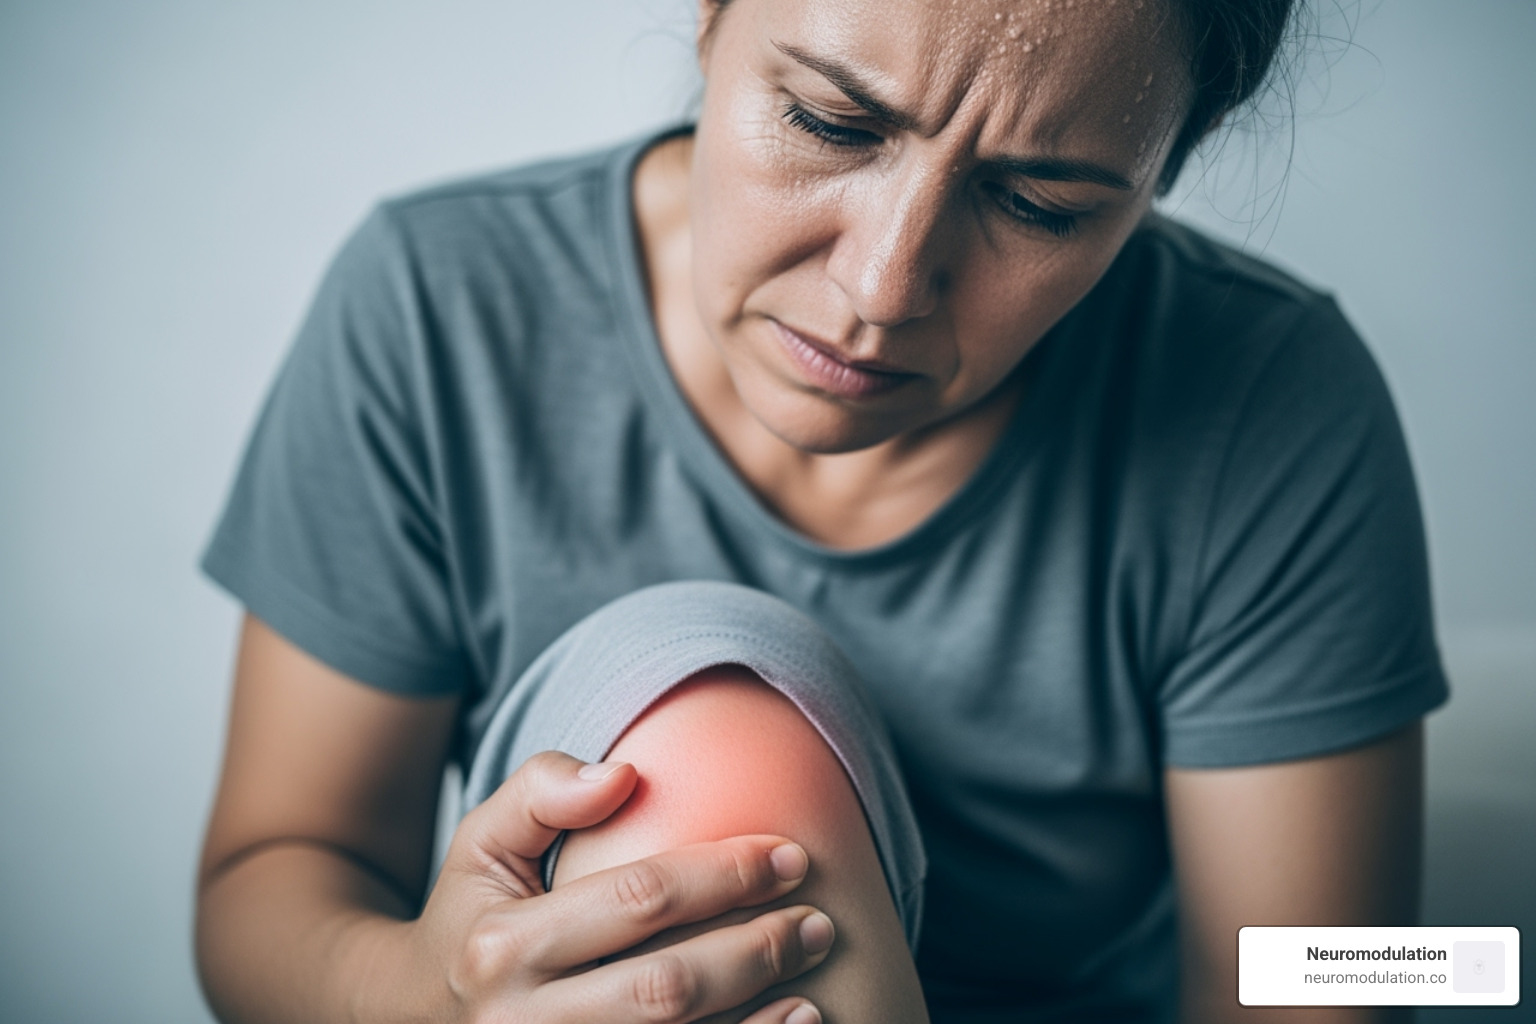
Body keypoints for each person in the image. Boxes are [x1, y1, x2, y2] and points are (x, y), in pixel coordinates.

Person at [194, 0, 1448, 1021]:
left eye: (1040, 205)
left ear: (1164, 175)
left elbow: (1337, 972)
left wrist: (1426, 959)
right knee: (709, 734)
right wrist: (408, 993)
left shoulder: (1273, 399)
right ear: (708, 16)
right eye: (830, 121)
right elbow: (269, 880)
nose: (882, 286)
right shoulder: (438, 307)